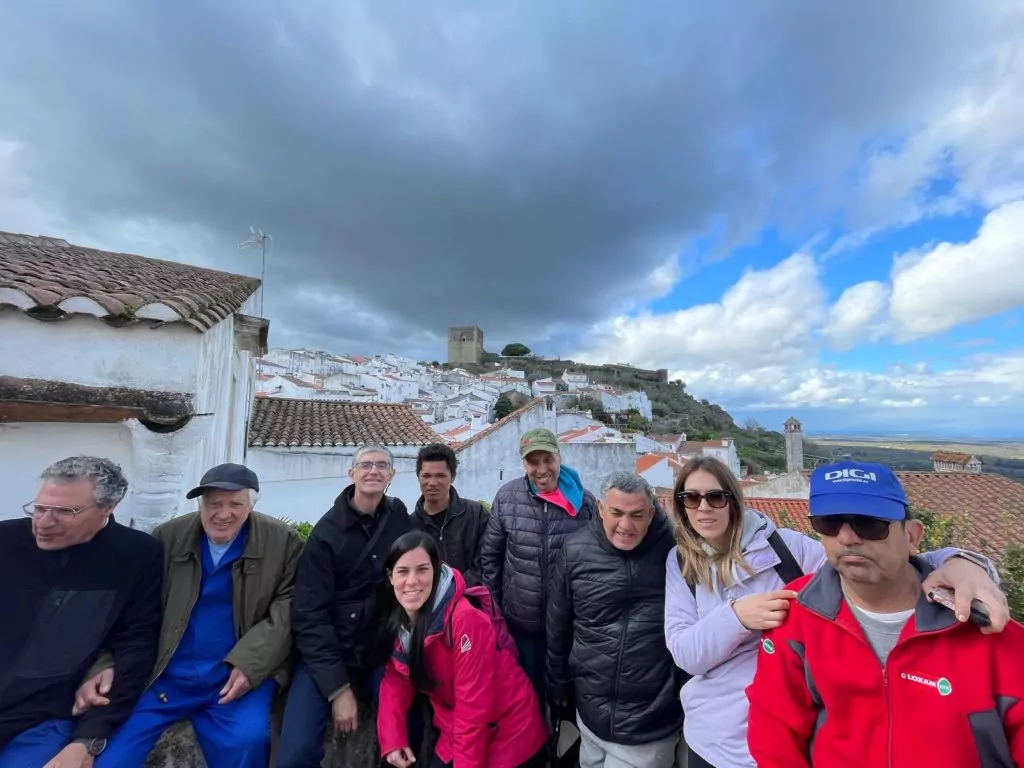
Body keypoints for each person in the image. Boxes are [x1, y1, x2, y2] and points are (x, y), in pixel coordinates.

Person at [664, 457, 1009, 768]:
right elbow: (686, 656)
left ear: (733, 500)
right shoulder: (680, 563)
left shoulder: (786, 548)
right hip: (711, 737)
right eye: (691, 498)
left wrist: (962, 563)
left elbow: (871, 566)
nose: (703, 507)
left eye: (716, 497)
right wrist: (736, 616)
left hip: (780, 741)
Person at [73, 463, 303, 768]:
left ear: (251, 506)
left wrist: (252, 664)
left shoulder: (282, 541)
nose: (223, 514)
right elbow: (132, 609)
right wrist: (107, 663)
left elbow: (288, 606)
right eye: (213, 504)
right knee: (110, 754)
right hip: (164, 674)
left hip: (234, 676)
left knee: (247, 742)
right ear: (200, 504)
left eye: (235, 504)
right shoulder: (168, 537)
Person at [0, 457, 163, 768]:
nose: (43, 523)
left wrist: (89, 738)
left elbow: (136, 645)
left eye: (65, 512)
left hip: (46, 718)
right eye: (39, 508)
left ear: (109, 507)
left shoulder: (136, 555)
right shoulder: (5, 541)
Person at [277, 444, 417, 768]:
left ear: (392, 475)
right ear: (351, 473)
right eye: (365, 465)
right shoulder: (325, 534)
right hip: (330, 650)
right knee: (295, 752)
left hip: (380, 649)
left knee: (405, 731)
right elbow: (309, 615)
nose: (373, 471)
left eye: (381, 465)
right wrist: (337, 689)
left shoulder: (399, 518)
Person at [377, 531, 548, 768]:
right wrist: (393, 738)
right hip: (457, 727)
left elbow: (473, 708)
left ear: (436, 571)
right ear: (390, 577)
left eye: (422, 570)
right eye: (403, 571)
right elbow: (397, 677)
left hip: (509, 732)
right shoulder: (402, 618)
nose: (412, 581)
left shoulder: (465, 620)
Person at [547, 472, 683, 768]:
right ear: (600, 508)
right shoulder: (575, 550)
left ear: (651, 512)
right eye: (617, 513)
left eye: (637, 515)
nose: (625, 525)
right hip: (589, 716)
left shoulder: (676, 553)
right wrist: (559, 683)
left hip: (648, 727)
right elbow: (558, 624)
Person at [479, 427, 597, 694]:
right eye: (533, 462)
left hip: (570, 625)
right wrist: (494, 614)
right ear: (524, 464)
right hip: (522, 624)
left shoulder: (585, 503)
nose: (542, 469)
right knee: (527, 696)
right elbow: (491, 558)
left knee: (566, 695)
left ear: (559, 457)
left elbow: (596, 562)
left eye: (548, 460)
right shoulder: (507, 498)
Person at [410, 443, 489, 586]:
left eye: (440, 476)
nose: (432, 483)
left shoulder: (476, 514)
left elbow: (486, 561)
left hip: (470, 596)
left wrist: (456, 589)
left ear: (452, 477)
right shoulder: (410, 525)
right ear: (418, 477)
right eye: (426, 476)